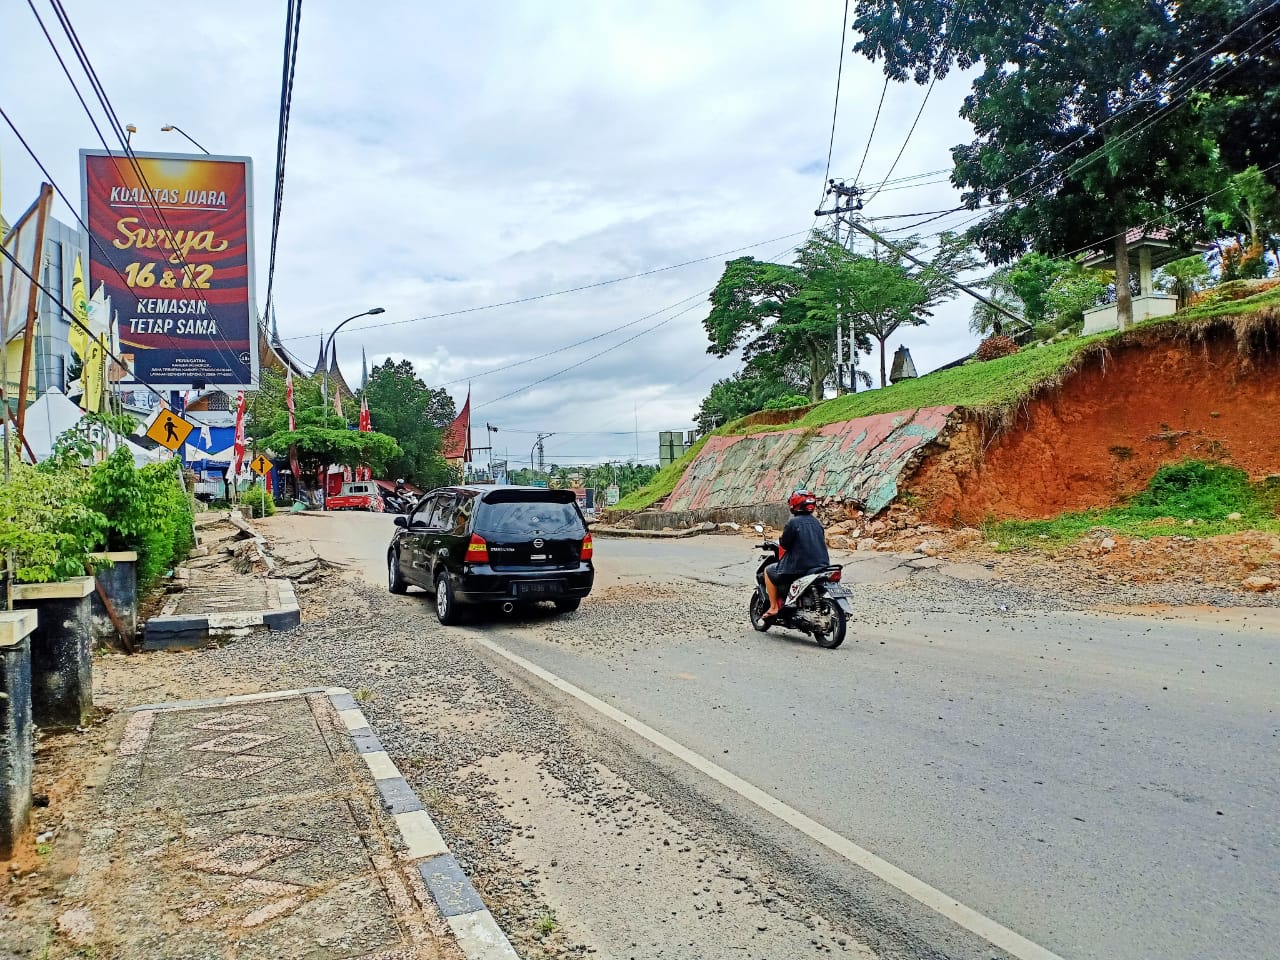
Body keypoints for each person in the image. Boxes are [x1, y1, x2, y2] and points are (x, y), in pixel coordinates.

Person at [764, 489, 829, 617]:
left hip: (798, 567)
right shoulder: (817, 523)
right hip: (821, 565)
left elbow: (785, 544)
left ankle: (773, 607)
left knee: (768, 571)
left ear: (794, 504)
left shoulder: (793, 522)